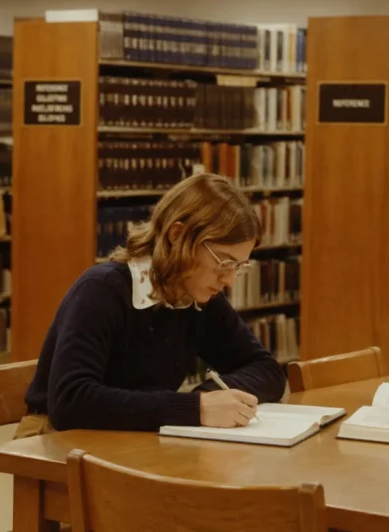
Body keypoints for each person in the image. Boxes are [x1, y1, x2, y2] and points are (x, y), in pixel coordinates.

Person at [17, 173, 287, 437]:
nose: (229, 280)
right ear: (177, 235)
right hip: (56, 439)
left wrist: (208, 399)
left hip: (133, 438)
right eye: (224, 262)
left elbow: (267, 370)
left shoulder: (200, 297)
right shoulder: (102, 290)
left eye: (238, 267)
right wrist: (195, 409)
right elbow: (71, 402)